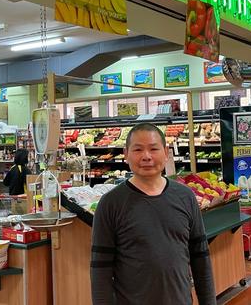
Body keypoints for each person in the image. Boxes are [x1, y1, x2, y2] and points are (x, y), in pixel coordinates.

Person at [90, 123, 216, 305]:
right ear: (126, 154)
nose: (146, 156)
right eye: (138, 149)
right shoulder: (111, 204)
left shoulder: (185, 196)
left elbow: (200, 257)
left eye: (154, 149)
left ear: (166, 152)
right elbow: (100, 269)